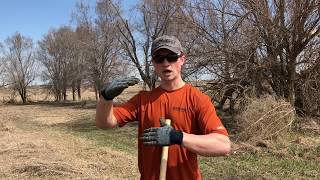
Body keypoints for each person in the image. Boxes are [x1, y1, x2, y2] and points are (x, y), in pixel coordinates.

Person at [96, 35, 231, 180]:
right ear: (154, 63)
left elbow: (223, 146)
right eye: (159, 58)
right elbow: (104, 123)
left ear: (182, 59)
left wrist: (177, 137)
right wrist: (106, 98)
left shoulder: (198, 99)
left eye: (171, 57)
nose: (165, 63)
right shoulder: (143, 99)